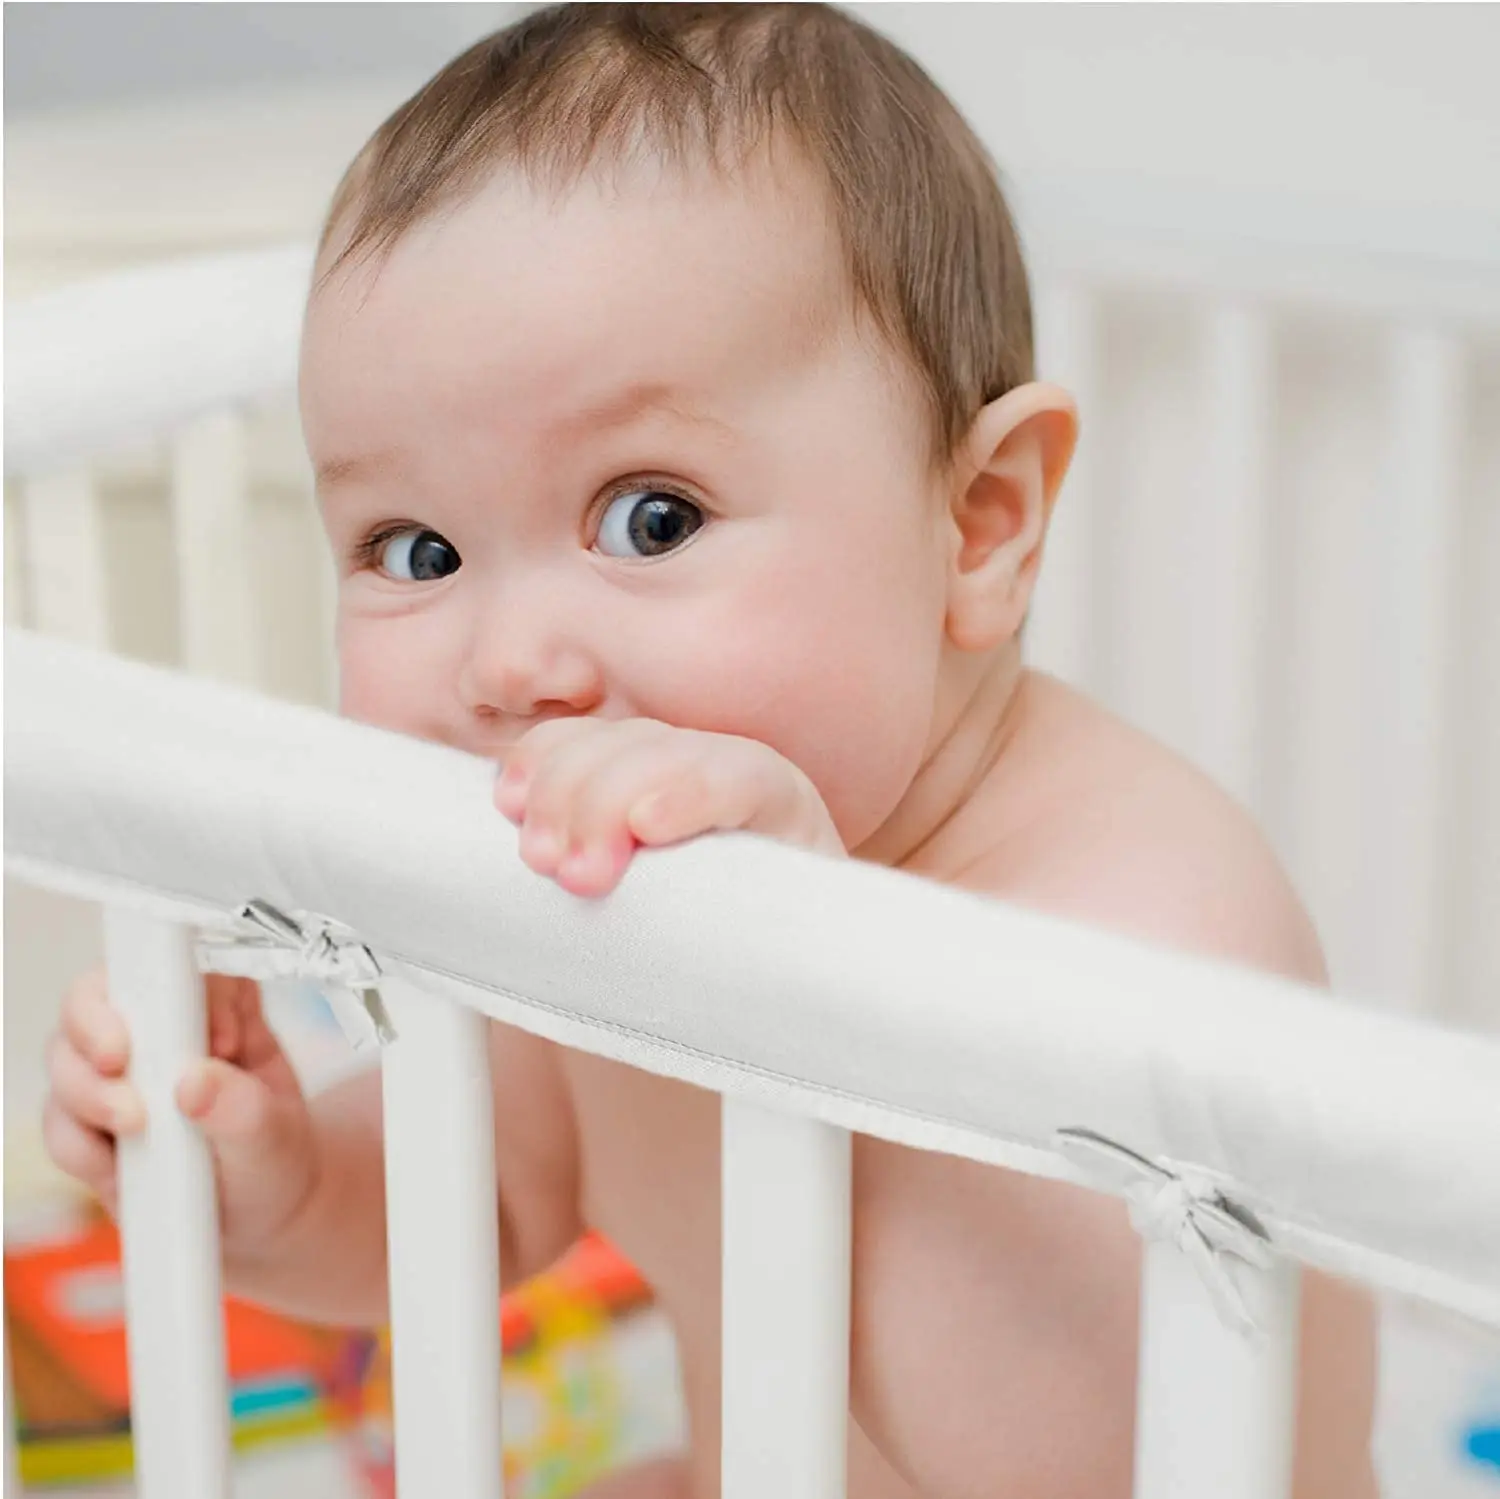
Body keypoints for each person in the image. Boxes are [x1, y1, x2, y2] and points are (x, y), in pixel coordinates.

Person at [42, 6, 1377, 1495]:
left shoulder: (1150, 922)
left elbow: (1098, 1457)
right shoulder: (614, 869)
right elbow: (489, 1188)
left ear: (980, 519)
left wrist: (818, 989)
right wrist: (270, 1176)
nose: (509, 661)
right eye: (415, 549)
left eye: (651, 518)